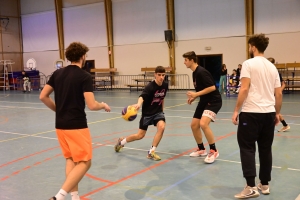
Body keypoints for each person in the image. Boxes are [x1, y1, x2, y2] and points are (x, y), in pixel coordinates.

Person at [40, 42, 111, 200]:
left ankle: (75, 196)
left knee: (71, 159)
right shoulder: (84, 76)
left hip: (60, 125)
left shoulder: (57, 74)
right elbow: (92, 105)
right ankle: (59, 196)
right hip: (76, 125)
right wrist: (103, 105)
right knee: (85, 162)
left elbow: (43, 96)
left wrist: (58, 110)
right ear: (83, 56)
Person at [232, 34, 282, 199]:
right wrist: (277, 113)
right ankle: (265, 184)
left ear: (253, 46)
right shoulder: (272, 67)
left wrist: (236, 110)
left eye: (249, 46)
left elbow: (244, 89)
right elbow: (278, 93)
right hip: (268, 114)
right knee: (265, 149)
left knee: (247, 148)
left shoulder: (248, 64)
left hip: (251, 114)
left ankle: (250, 187)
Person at [115, 66, 168, 161]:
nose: (161, 77)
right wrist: (139, 104)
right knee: (140, 135)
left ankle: (151, 152)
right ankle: (121, 142)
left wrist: (162, 111)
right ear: (155, 75)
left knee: (162, 127)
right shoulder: (150, 86)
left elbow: (162, 98)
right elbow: (142, 96)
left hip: (158, 112)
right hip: (147, 114)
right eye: (159, 75)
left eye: (163, 75)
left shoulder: (165, 85)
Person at [182, 51, 222, 164]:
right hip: (204, 101)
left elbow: (212, 87)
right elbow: (201, 89)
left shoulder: (201, 72)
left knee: (203, 124)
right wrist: (194, 97)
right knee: (194, 125)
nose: (184, 62)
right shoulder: (194, 73)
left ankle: (214, 150)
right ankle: (201, 149)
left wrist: (196, 94)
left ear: (191, 60)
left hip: (214, 101)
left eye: (185, 60)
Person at [267, 57, 290, 132]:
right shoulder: (266, 72)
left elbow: (283, 84)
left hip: (272, 94)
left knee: (273, 110)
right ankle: (285, 125)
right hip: (269, 93)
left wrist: (278, 91)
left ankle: (285, 125)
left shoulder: (276, 73)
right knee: (272, 110)